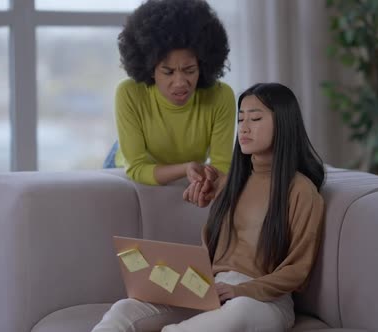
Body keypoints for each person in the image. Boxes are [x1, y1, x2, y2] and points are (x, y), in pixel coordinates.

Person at [91, 83, 326, 332]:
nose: (244, 128)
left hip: (263, 301)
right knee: (124, 310)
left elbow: (298, 270)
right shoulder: (230, 183)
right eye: (240, 118)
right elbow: (208, 252)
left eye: (255, 118)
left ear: (284, 123)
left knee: (238, 312)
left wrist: (239, 290)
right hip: (212, 289)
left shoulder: (301, 191)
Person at [104, 0, 236, 186]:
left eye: (189, 70)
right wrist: (186, 168)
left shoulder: (221, 97)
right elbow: (136, 167)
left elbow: (221, 166)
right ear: (150, 69)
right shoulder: (129, 93)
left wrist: (201, 179)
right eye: (168, 72)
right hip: (126, 169)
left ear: (203, 65)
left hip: (185, 172)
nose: (180, 83)